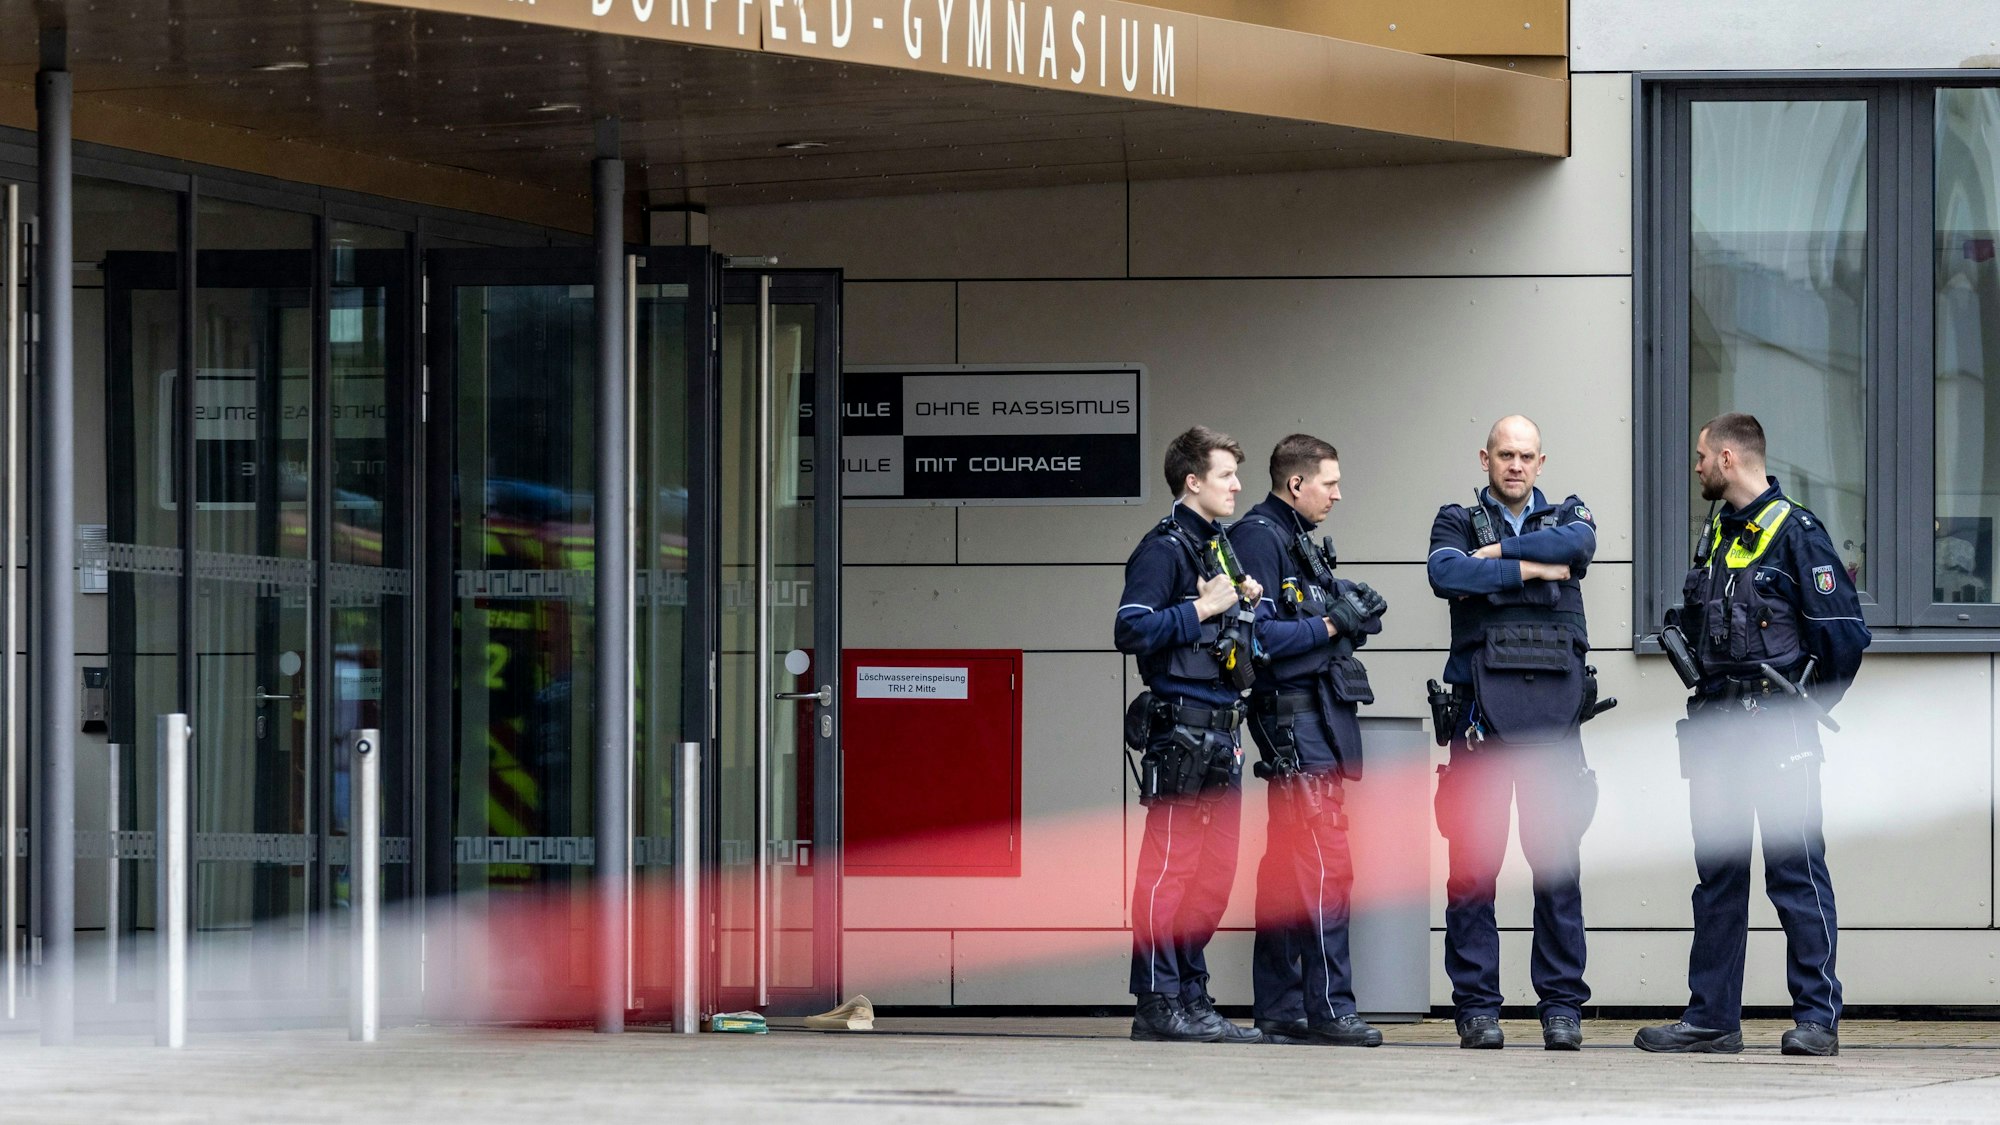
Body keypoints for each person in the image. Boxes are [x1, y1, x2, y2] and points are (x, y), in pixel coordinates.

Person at [1636, 412, 1869, 1057]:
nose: (1696, 467)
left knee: (1795, 872)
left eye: (1702, 456)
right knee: (1718, 876)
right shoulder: (1716, 533)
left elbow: (1844, 637)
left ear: (1729, 458)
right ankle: (1712, 1019)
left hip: (1777, 730)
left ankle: (1817, 1019)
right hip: (1717, 729)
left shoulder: (1797, 533)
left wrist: (1801, 709)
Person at [1426, 415, 1603, 1051]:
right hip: (1479, 720)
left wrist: (1502, 557)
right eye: (1505, 454)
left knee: (1556, 868)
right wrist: (1537, 571)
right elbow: (1447, 573)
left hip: (1554, 721)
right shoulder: (1456, 520)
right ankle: (1477, 1008)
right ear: (1486, 459)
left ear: (1541, 462)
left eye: (1527, 456)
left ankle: (1561, 1007)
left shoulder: (1567, 513)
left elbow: (1579, 545)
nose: (1516, 465)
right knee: (1473, 869)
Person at [1229, 434, 1387, 1047]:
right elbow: (1260, 639)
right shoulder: (1259, 537)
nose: (1338, 494)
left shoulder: (1295, 538)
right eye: (1330, 483)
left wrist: (1350, 614)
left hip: (1315, 718)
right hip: (1293, 721)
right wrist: (1330, 623)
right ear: (1296, 484)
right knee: (1326, 865)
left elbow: (1319, 623)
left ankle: (1281, 1007)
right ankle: (1330, 1009)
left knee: (1289, 872)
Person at [1114, 425, 1264, 1044]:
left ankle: (1191, 996)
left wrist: (1245, 600)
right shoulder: (1163, 548)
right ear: (1192, 480)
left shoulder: (1218, 547)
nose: (1237, 485)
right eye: (1226, 475)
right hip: (1180, 732)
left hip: (1224, 733)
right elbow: (1130, 629)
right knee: (1169, 870)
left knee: (1213, 877)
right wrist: (1202, 608)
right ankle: (1157, 1002)